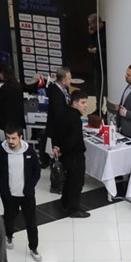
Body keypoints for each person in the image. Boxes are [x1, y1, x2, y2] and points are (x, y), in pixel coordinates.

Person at [0, 127, 43, 260]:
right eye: (8, 138)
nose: (10, 141)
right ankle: (9, 236)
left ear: (20, 137)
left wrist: (30, 186)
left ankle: (33, 248)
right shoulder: (0, 152)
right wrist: (1, 186)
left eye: (13, 138)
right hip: (9, 194)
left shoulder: (29, 151)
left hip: (27, 194)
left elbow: (36, 170)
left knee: (31, 222)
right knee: (9, 217)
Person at [45, 71, 89, 218]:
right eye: (83, 103)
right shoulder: (75, 119)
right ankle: (73, 209)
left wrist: (58, 147)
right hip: (74, 156)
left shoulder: (65, 113)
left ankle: (65, 204)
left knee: (69, 181)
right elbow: (72, 139)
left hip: (66, 155)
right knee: (76, 182)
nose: (85, 106)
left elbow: (58, 132)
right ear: (74, 103)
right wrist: (62, 149)